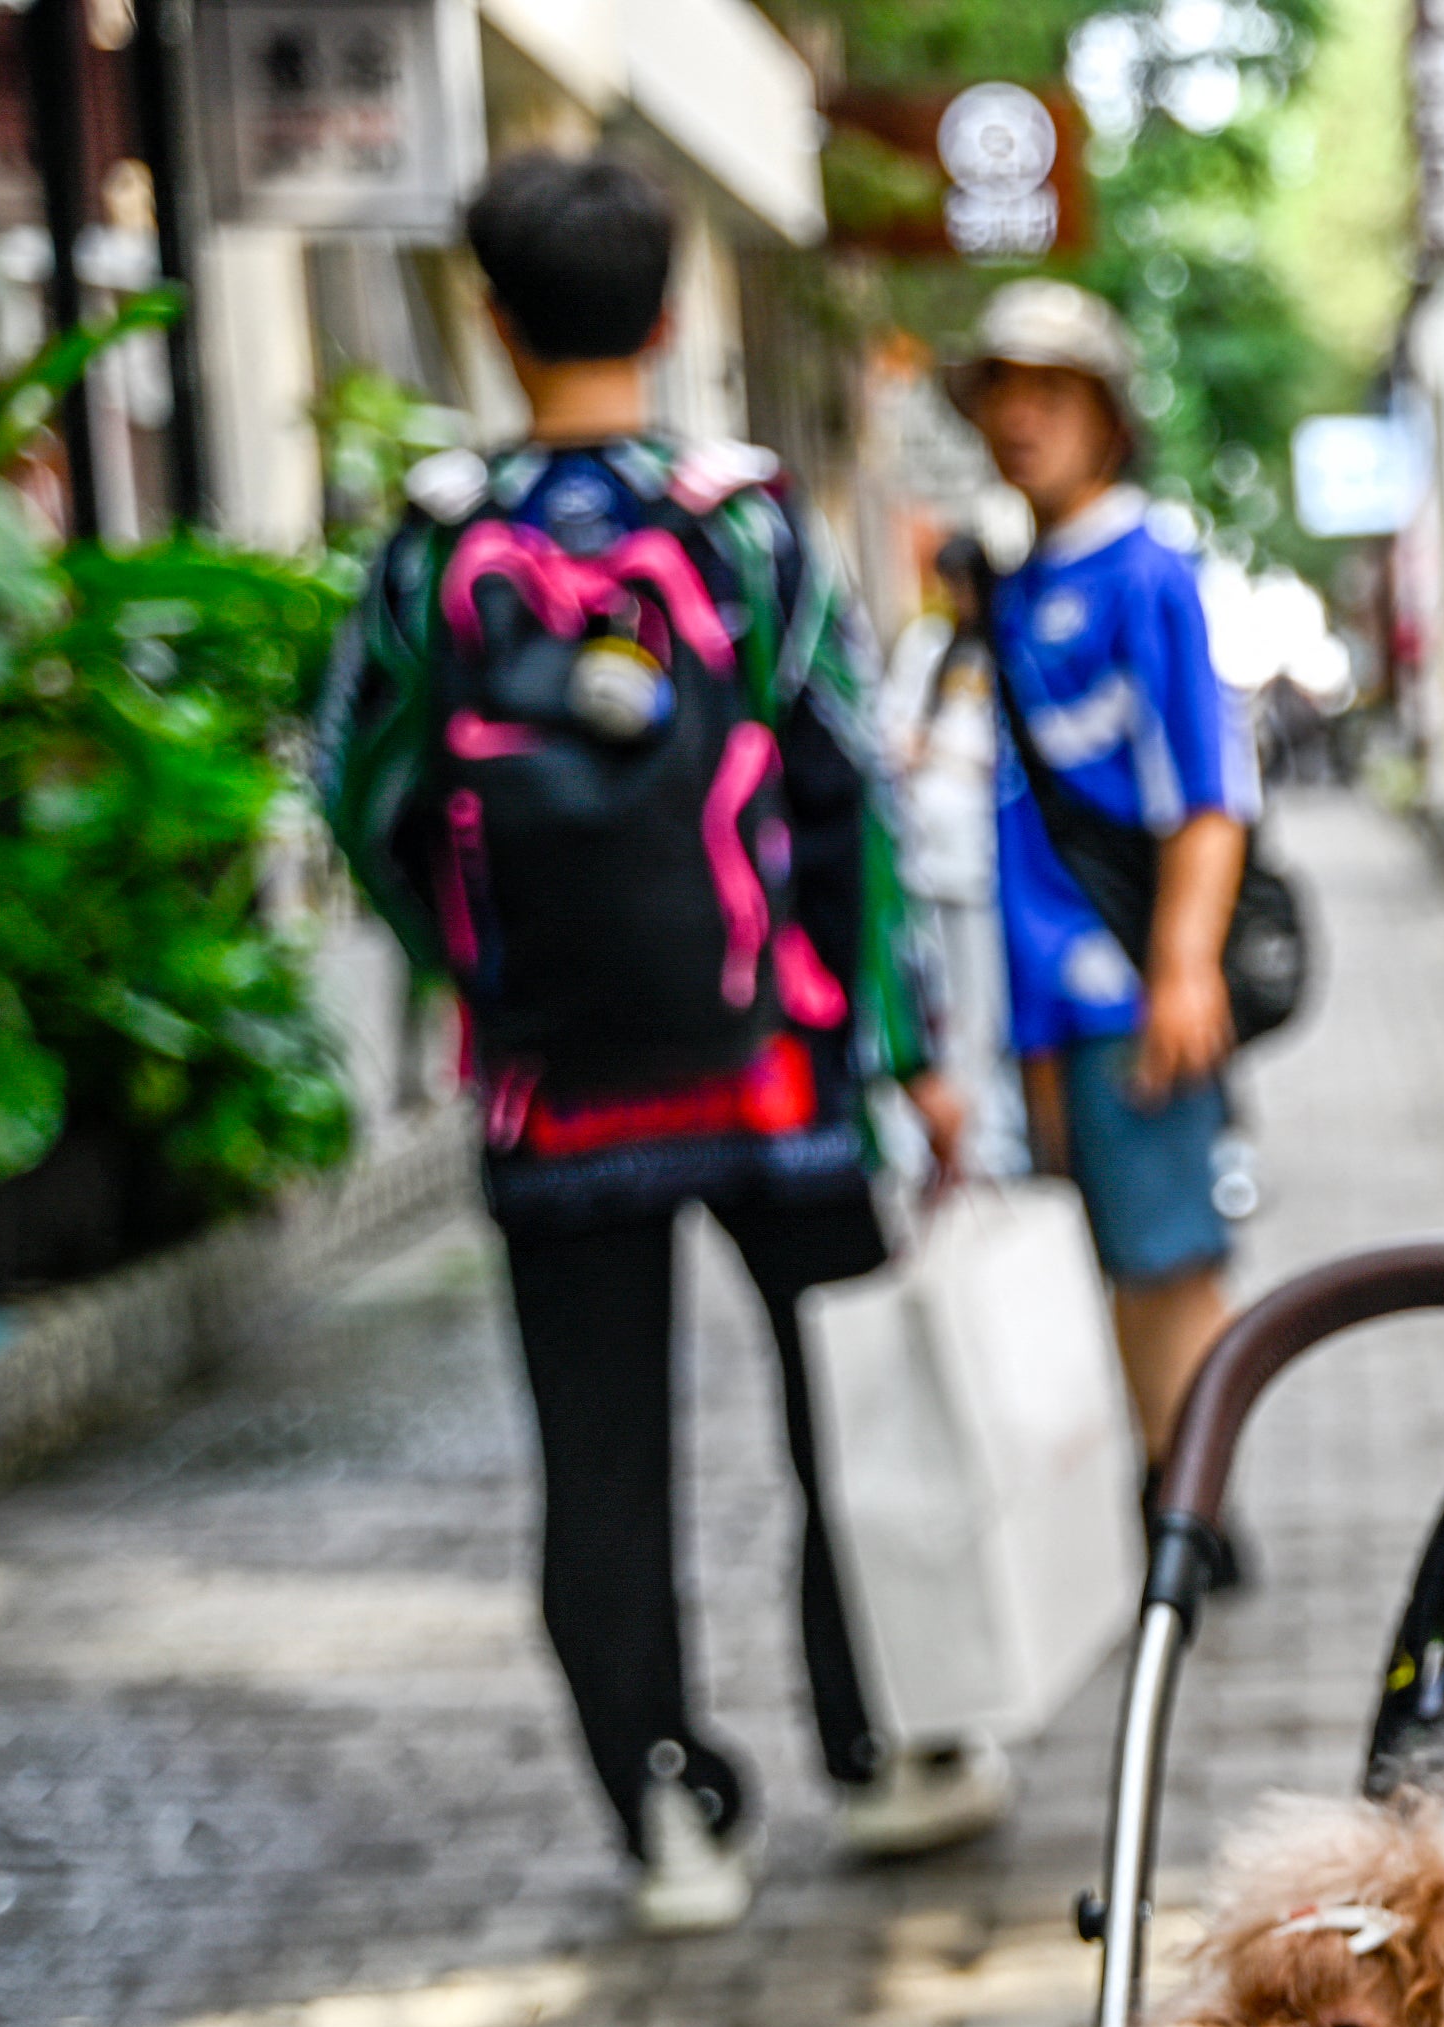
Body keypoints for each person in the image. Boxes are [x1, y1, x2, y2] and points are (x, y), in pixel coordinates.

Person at [318, 150, 1008, 1936]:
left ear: (491, 316)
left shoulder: (433, 544)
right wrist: (904, 1045)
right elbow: (839, 781)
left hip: (556, 1095)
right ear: (674, 311)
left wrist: (473, 978)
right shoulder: (744, 522)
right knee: (841, 1410)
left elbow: (360, 792)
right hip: (773, 1072)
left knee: (602, 1461)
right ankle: (884, 1755)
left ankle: (668, 1814)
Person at [949, 280, 1256, 1490]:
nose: (1021, 419)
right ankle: (1149, 1486)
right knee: (1103, 1255)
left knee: (1168, 1256)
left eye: (1052, 392)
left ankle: (1196, 1510)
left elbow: (1207, 795)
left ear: (1107, 413)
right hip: (1035, 1002)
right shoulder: (1014, 584)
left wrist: (1183, 965)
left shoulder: (1147, 572)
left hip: (1126, 984)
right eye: (1002, 393)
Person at [876, 530, 1029, 1179]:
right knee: (935, 999)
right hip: (927, 855)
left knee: (983, 1005)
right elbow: (890, 734)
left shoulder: (1005, 648)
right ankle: (944, 1138)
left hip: (988, 860)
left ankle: (991, 1137)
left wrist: (947, 756)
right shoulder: (927, 648)